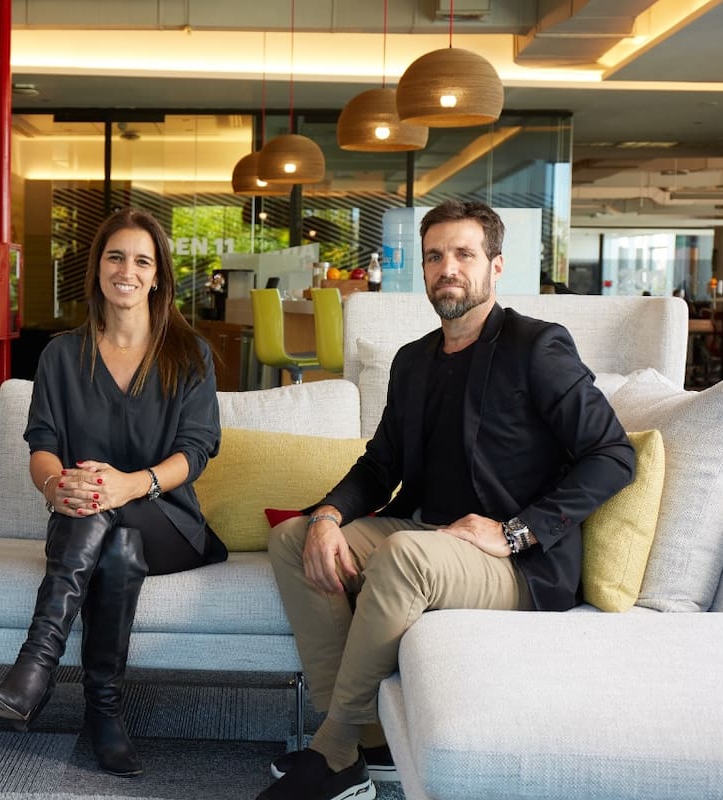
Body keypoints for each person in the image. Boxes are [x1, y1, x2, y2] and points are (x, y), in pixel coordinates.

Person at [258, 200, 635, 800]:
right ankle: (366, 743)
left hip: (516, 563)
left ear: (496, 265)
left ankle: (331, 753)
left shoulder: (537, 347)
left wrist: (514, 532)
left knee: (405, 555)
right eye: (435, 256)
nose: (448, 268)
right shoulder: (413, 361)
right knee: (293, 538)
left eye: (464, 253)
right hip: (429, 533)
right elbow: (380, 466)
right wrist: (326, 516)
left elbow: (613, 455)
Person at [0, 208, 226, 777]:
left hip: (169, 521)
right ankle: (103, 713)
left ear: (158, 275)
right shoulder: (62, 355)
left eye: (142, 261)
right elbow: (42, 445)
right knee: (113, 542)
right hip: (86, 520)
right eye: (115, 257)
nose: (126, 271)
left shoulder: (189, 353)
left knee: (104, 507)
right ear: (97, 268)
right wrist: (55, 484)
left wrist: (127, 485)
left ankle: (35, 668)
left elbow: (196, 451)